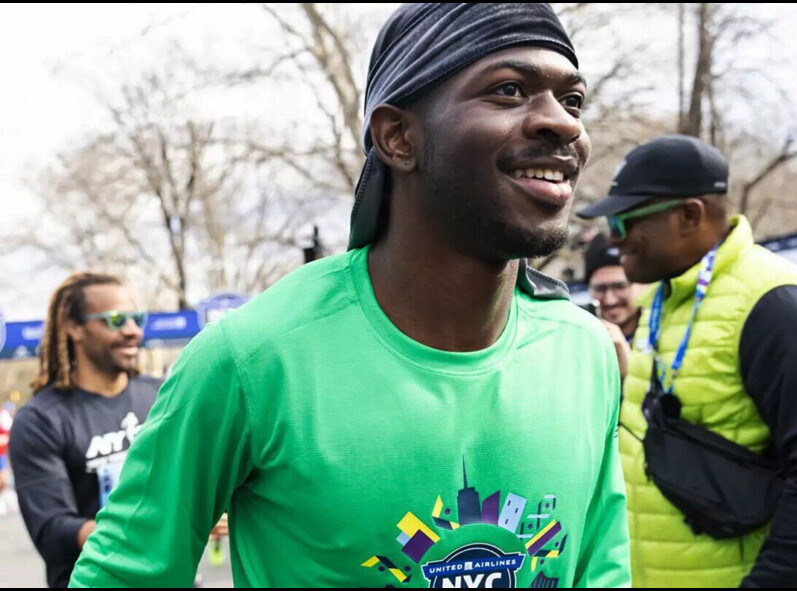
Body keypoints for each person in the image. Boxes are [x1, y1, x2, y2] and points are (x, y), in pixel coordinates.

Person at [70, 4, 630, 588]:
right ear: (397, 137)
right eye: (509, 90)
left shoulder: (585, 354)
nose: (563, 123)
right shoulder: (253, 359)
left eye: (573, 101)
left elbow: (602, 572)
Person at [578, 134, 797, 588]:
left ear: (689, 215)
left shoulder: (778, 305)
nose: (614, 239)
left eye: (623, 221)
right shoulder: (664, 298)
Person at [8, 273, 160, 588]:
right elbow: (52, 532)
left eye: (137, 319)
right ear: (73, 327)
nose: (133, 331)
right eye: (116, 320)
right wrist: (159, 526)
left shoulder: (162, 396)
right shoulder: (40, 421)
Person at [584, 233, 644, 378]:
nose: (610, 300)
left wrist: (630, 373)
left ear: (642, 285)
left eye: (620, 286)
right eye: (600, 289)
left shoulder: (663, 332)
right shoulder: (580, 338)